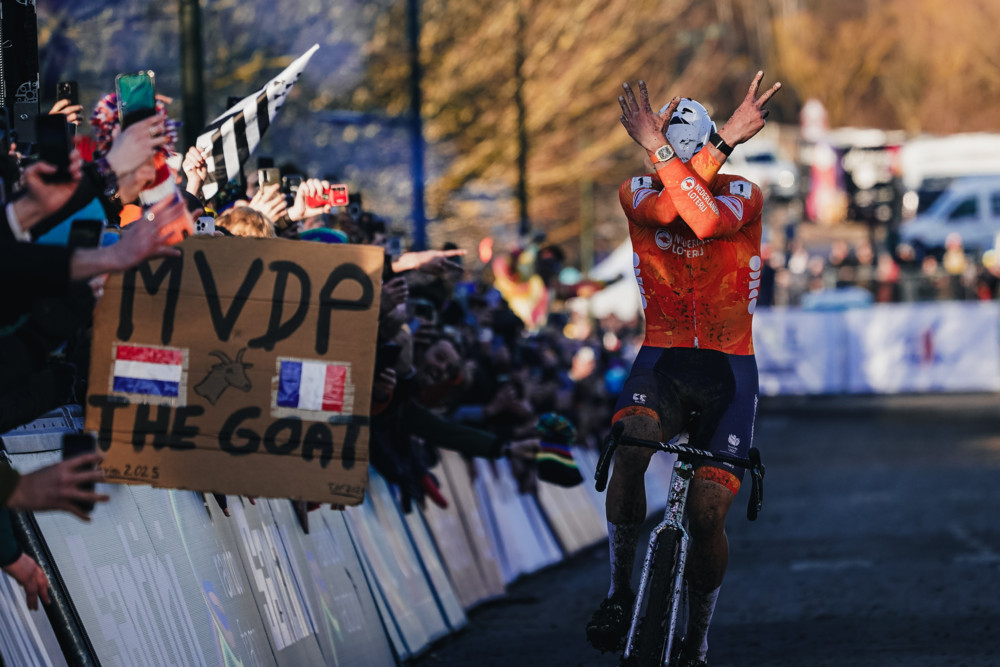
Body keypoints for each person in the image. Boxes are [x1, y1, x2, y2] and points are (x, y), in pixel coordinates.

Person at [585, 71, 780, 667]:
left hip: (729, 370)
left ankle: (694, 642)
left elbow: (706, 221)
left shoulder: (745, 192)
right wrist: (703, 147)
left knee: (705, 514)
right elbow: (674, 211)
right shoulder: (637, 190)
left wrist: (688, 148)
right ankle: (620, 591)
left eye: (679, 151)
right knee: (630, 444)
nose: (670, 161)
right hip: (663, 359)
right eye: (665, 151)